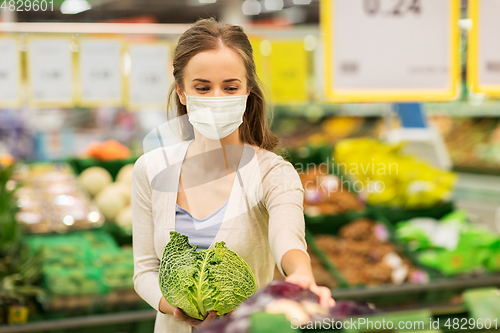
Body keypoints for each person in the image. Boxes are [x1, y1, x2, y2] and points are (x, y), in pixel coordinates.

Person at [131, 18, 335, 333]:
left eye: (230, 87)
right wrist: (172, 305)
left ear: (247, 91)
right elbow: (145, 270)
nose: (217, 98)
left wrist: (300, 276)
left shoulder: (273, 173)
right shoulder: (151, 169)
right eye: (202, 87)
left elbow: (288, 239)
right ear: (182, 92)